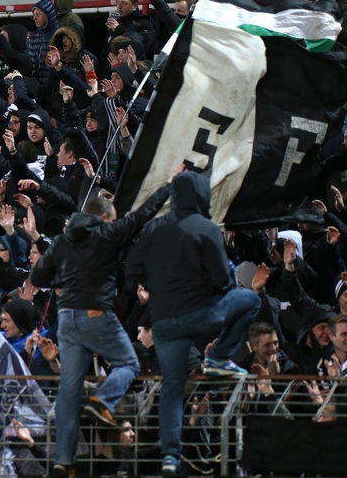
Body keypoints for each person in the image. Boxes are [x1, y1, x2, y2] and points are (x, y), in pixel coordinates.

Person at [30, 169, 175, 478]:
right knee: (129, 363)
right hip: (96, 313)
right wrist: (167, 187)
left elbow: (38, 277)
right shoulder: (107, 232)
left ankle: (62, 462)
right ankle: (103, 402)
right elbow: (141, 216)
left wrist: (65, 280)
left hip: (66, 318)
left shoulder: (62, 240)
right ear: (106, 216)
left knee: (68, 392)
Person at [125, 171, 260, 477]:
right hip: (201, 313)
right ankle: (219, 358)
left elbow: (131, 267)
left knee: (172, 387)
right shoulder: (206, 227)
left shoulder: (155, 227)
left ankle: (171, 456)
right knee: (251, 301)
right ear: (201, 196)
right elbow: (224, 283)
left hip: (164, 322)